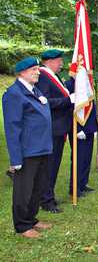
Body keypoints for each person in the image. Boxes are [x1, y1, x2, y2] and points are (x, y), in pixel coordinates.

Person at [2, 57, 53, 238]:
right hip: (27, 150)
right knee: (24, 189)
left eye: (38, 69)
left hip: (42, 147)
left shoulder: (34, 90)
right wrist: (15, 159)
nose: (37, 72)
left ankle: (31, 218)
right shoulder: (14, 94)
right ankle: (22, 225)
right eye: (33, 69)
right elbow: (12, 128)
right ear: (21, 72)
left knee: (37, 187)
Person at [36, 49, 74, 214]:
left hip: (58, 127)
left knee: (53, 164)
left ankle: (48, 195)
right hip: (51, 127)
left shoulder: (54, 76)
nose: (61, 64)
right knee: (49, 165)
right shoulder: (44, 76)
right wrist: (68, 100)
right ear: (50, 61)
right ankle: (46, 200)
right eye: (59, 61)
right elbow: (44, 101)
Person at [65, 77, 98, 197]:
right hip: (77, 128)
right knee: (78, 158)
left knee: (87, 158)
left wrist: (94, 128)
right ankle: (74, 187)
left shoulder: (87, 81)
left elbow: (92, 106)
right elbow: (70, 108)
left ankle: (83, 183)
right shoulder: (69, 84)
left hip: (89, 127)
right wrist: (78, 129)